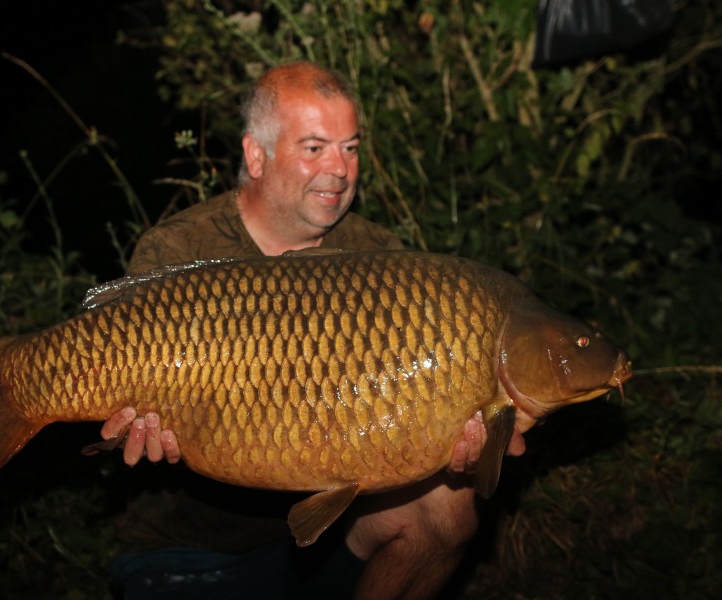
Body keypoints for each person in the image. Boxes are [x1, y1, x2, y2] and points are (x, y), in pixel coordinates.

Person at [100, 62, 526, 600]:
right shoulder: (180, 251)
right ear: (256, 155)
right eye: (315, 148)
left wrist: (452, 440)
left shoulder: (385, 261)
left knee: (448, 503)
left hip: (334, 534)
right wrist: (130, 431)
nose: (340, 169)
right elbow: (121, 418)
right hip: (188, 546)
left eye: (350, 148)